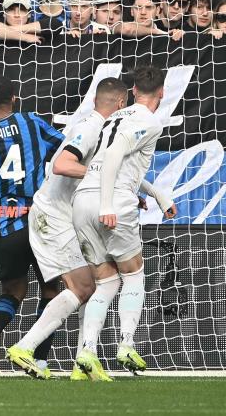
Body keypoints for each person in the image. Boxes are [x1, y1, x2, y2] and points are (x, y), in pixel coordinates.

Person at [5, 78, 128, 380]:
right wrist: (101, 177)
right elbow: (61, 164)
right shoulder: (91, 128)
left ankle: (82, 363)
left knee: (98, 283)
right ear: (121, 105)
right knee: (86, 287)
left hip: (66, 218)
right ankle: (25, 347)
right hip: (54, 219)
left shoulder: (93, 126)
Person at [72, 65, 177, 380]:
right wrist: (108, 204)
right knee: (133, 274)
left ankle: (87, 351)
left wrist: (158, 195)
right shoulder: (150, 121)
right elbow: (116, 153)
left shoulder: (116, 116)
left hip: (82, 200)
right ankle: (126, 345)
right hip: (111, 201)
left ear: (132, 92)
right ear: (162, 92)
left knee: (106, 281)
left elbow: (101, 160)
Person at [0, 76, 64, 378]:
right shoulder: (33, 123)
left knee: (13, 291)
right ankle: (40, 360)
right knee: (50, 290)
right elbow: (67, 153)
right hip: (40, 221)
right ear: (15, 99)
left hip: (5, 226)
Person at [114, 0, 184, 40]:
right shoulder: (119, 27)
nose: (143, 12)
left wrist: (180, 34)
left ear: (157, 11)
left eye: (148, 8)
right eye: (138, 7)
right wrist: (156, 32)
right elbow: (127, 29)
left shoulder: (165, 33)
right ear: (132, 11)